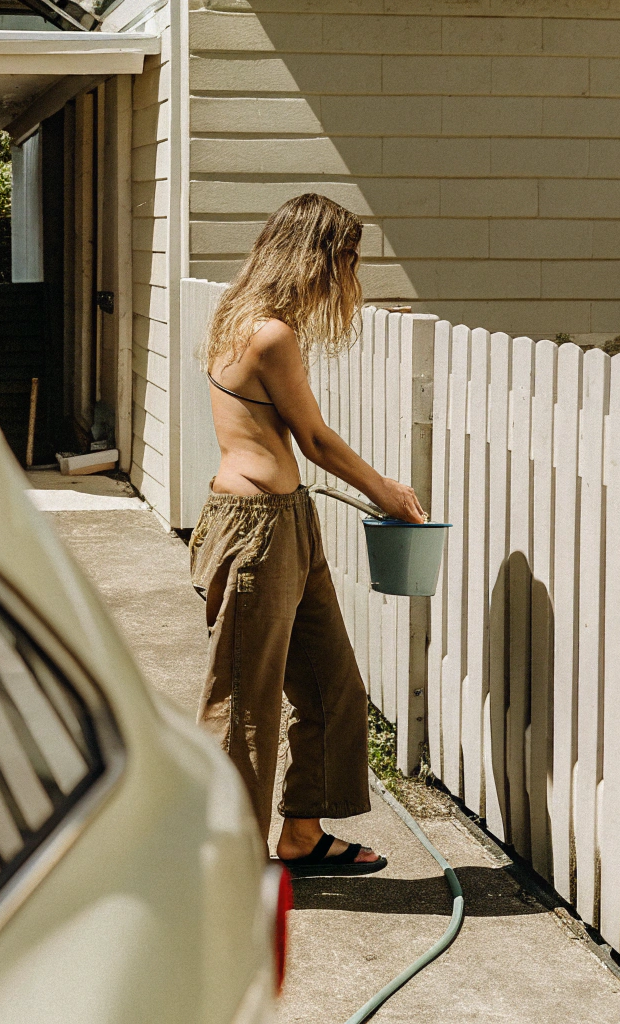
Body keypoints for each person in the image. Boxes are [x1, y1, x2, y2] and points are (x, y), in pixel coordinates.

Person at [191, 193, 426, 878]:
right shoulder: (267, 333)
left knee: (332, 686)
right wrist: (387, 491)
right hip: (255, 533)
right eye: (345, 260)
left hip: (288, 523)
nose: (348, 276)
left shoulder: (244, 317)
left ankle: (299, 835)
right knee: (244, 705)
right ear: (315, 256)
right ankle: (225, 860)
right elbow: (315, 439)